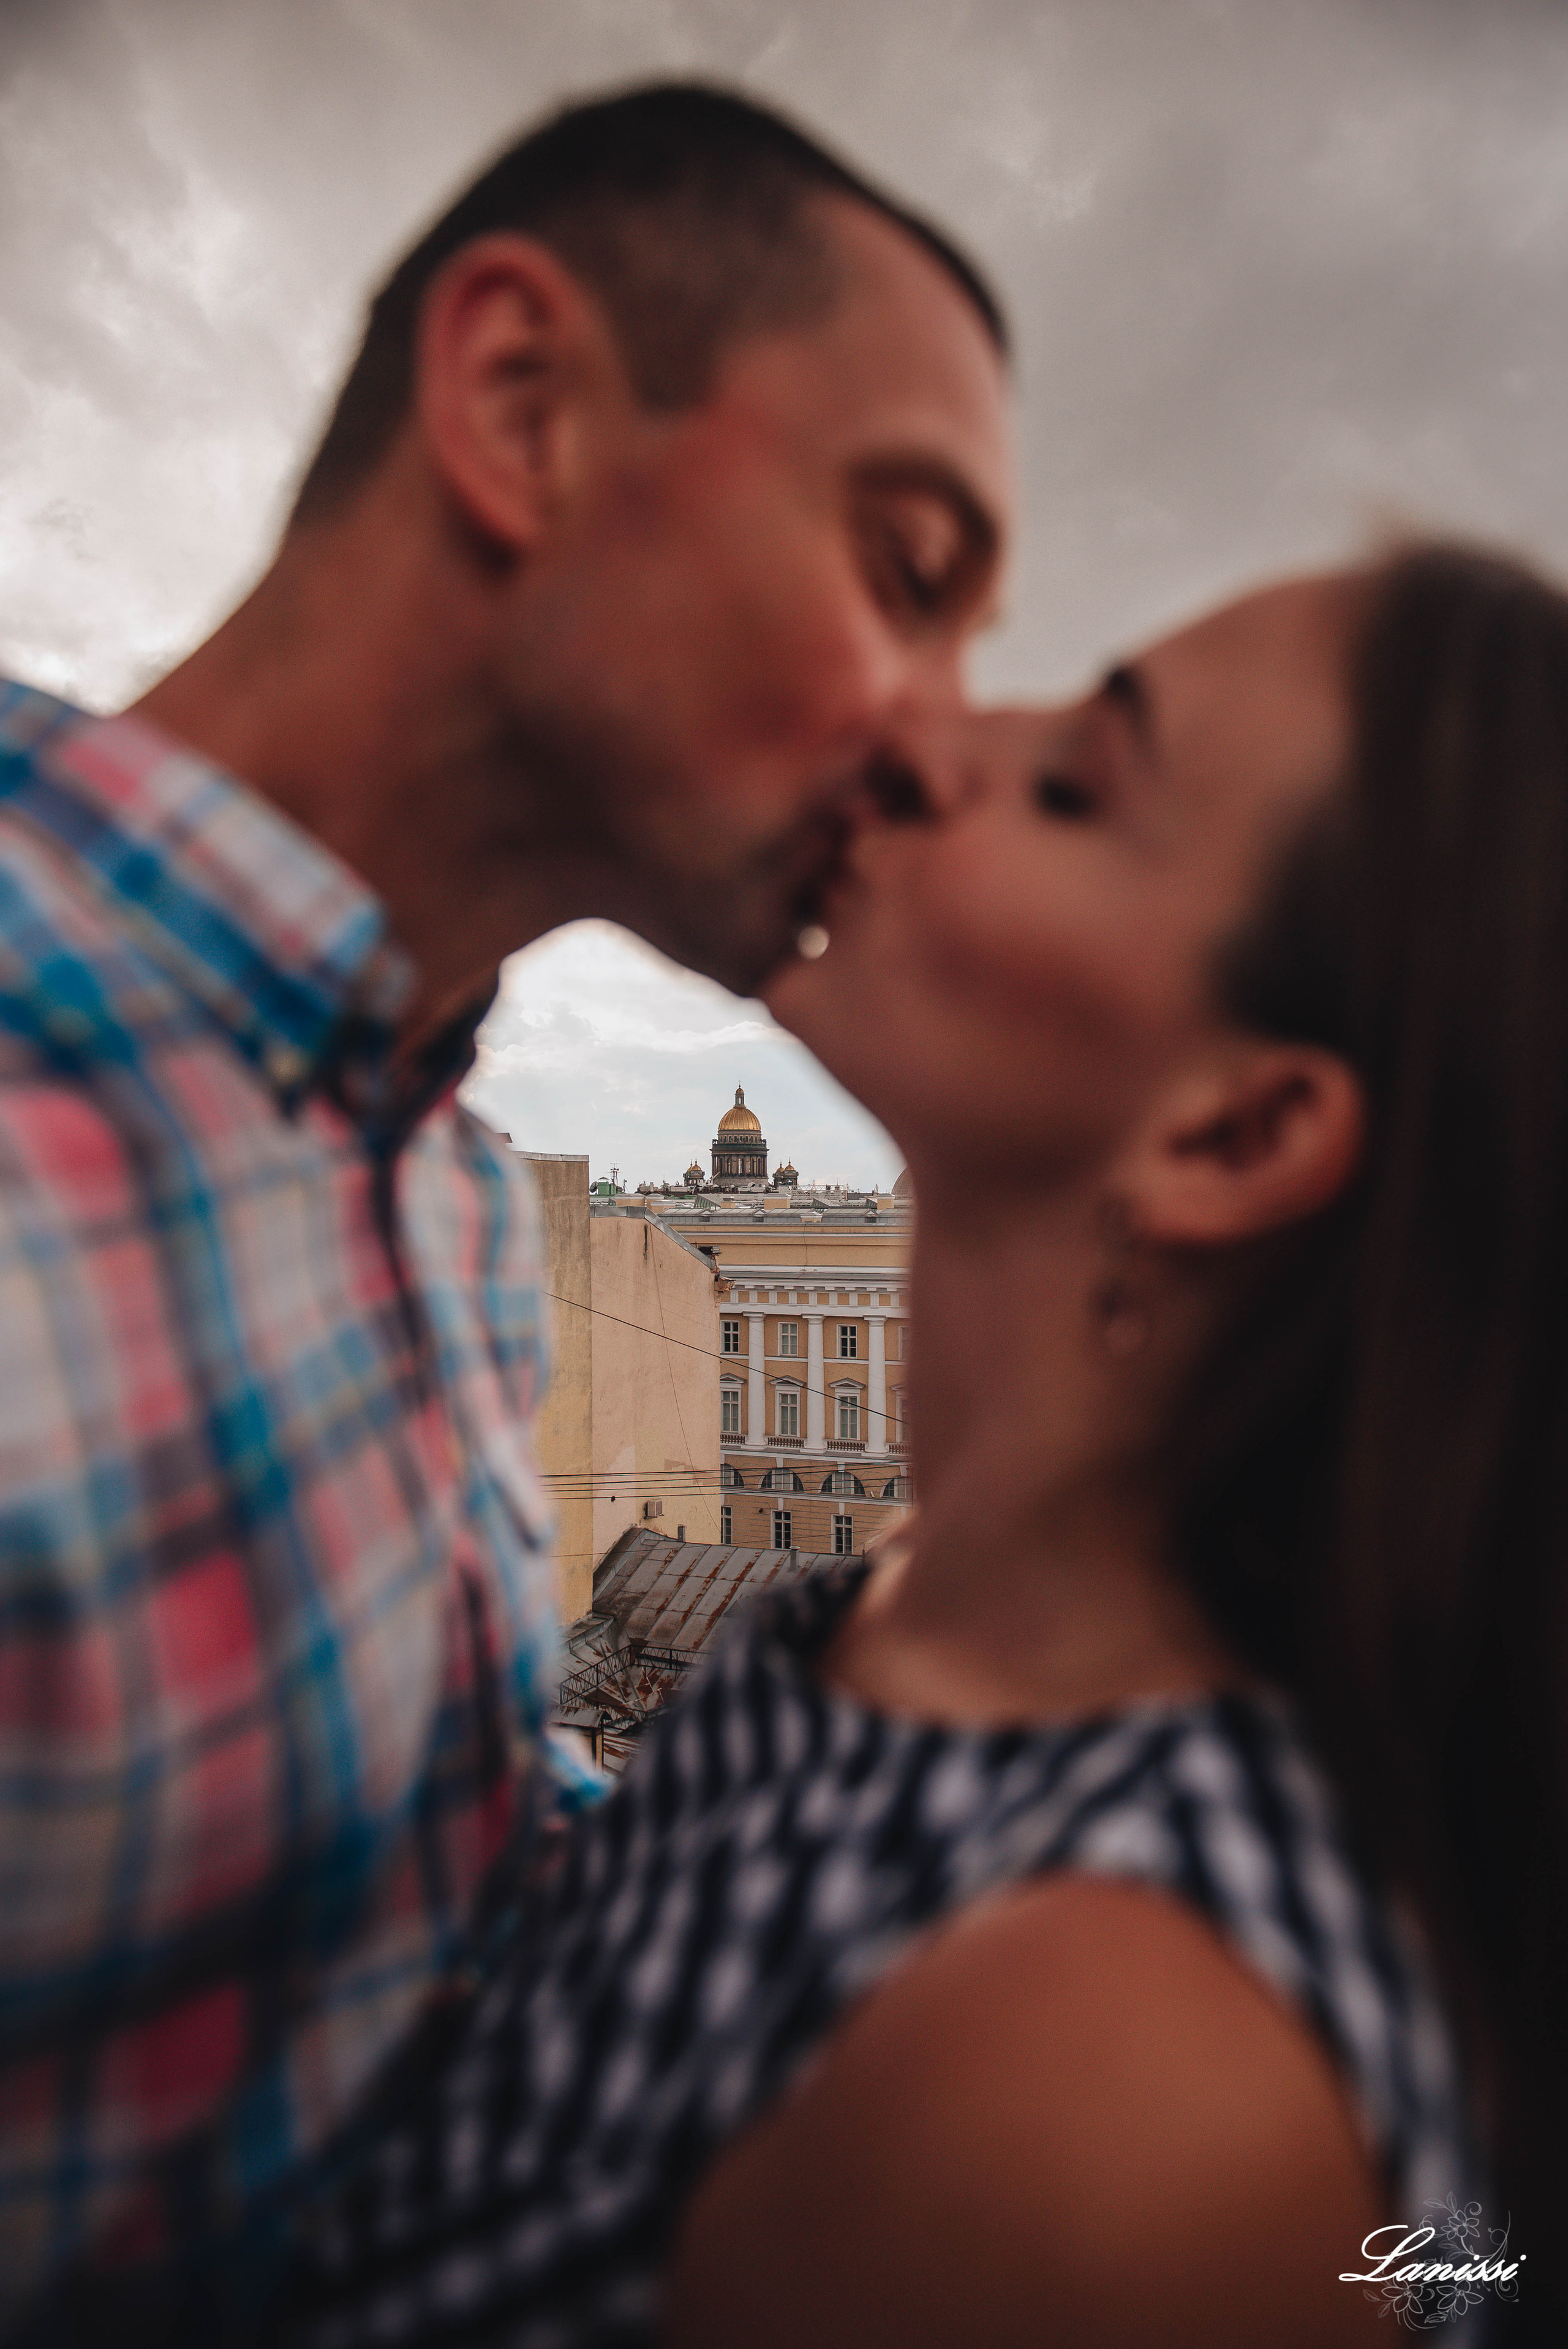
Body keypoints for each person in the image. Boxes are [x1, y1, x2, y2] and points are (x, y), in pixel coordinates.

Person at [278, 543, 1562, 2347]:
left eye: (1074, 783)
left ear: (1237, 1133)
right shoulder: (853, 1622)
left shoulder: (1097, 2098)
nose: (925, 738)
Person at [0, 80, 1011, 2336]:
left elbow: (411, 1928)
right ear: (524, 409)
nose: (942, 738)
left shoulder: (446, 1199)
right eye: (905, 568)